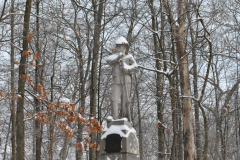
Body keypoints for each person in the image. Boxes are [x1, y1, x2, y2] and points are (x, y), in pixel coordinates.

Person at [106, 37, 138, 122]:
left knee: (126, 101)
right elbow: (108, 61)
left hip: (126, 80)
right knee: (114, 99)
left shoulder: (129, 57)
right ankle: (114, 117)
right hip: (117, 80)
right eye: (117, 46)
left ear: (124, 47)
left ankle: (126, 118)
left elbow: (136, 68)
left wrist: (127, 70)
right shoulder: (114, 57)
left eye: (120, 46)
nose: (118, 48)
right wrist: (118, 58)